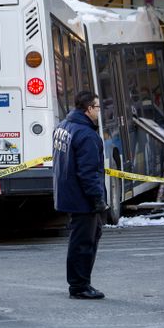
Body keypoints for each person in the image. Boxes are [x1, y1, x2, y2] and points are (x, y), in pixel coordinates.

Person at [52, 90, 107, 300]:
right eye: (97, 107)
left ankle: (79, 282)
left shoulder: (63, 127)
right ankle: (79, 285)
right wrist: (97, 199)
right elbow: (88, 172)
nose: (99, 112)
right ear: (88, 109)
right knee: (84, 242)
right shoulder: (86, 135)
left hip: (69, 194)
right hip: (82, 198)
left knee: (85, 238)